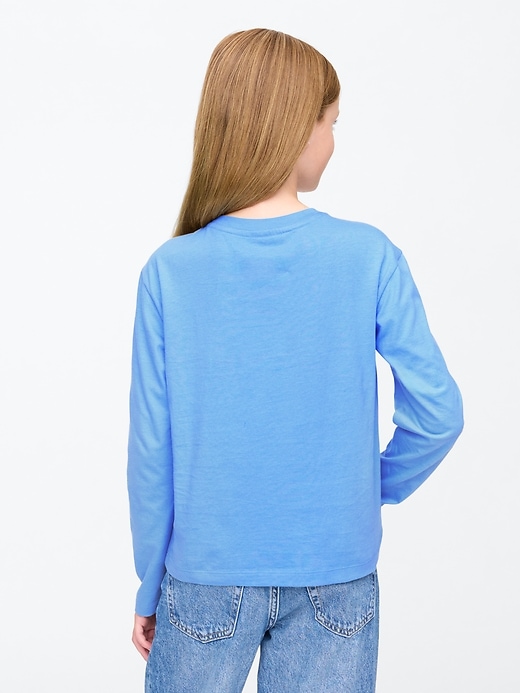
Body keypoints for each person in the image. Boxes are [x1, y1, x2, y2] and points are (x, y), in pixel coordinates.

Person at [127, 28, 463, 693]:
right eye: (331, 122)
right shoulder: (368, 255)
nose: (333, 140)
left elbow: (151, 453)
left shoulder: (170, 270)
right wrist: (366, 487)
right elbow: (439, 413)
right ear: (295, 128)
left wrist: (147, 584)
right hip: (337, 570)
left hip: (205, 574)